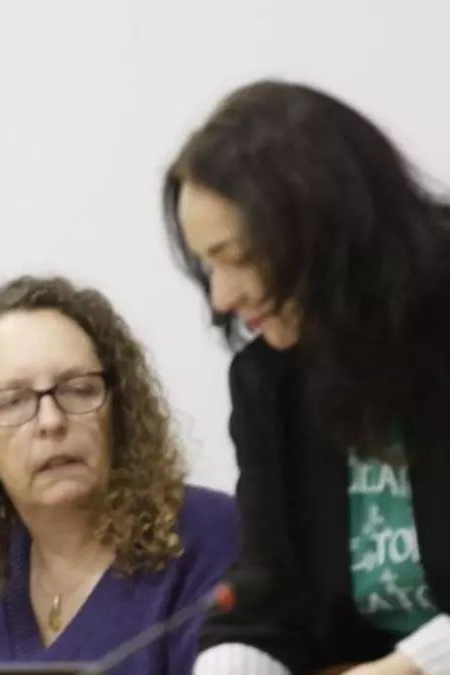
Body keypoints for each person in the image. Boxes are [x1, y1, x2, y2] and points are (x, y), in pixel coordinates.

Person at [164, 80, 450, 675]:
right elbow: (266, 598)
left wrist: (408, 666)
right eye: (208, 265)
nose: (221, 297)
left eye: (238, 257)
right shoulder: (269, 380)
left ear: (323, 227)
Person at [0, 275, 239, 673]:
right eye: (13, 401)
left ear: (117, 411)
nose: (52, 421)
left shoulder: (215, 538)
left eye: (79, 389)